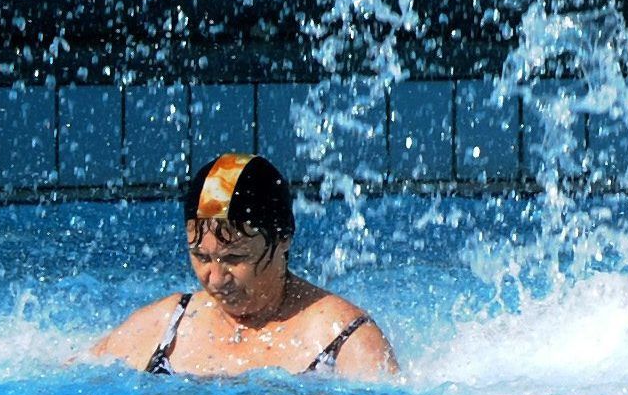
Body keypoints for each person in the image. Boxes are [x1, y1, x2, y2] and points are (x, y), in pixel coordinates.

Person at [90, 153, 398, 379]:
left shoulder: (342, 338)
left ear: (284, 238)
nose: (214, 278)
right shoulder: (167, 326)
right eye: (201, 256)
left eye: (234, 258)